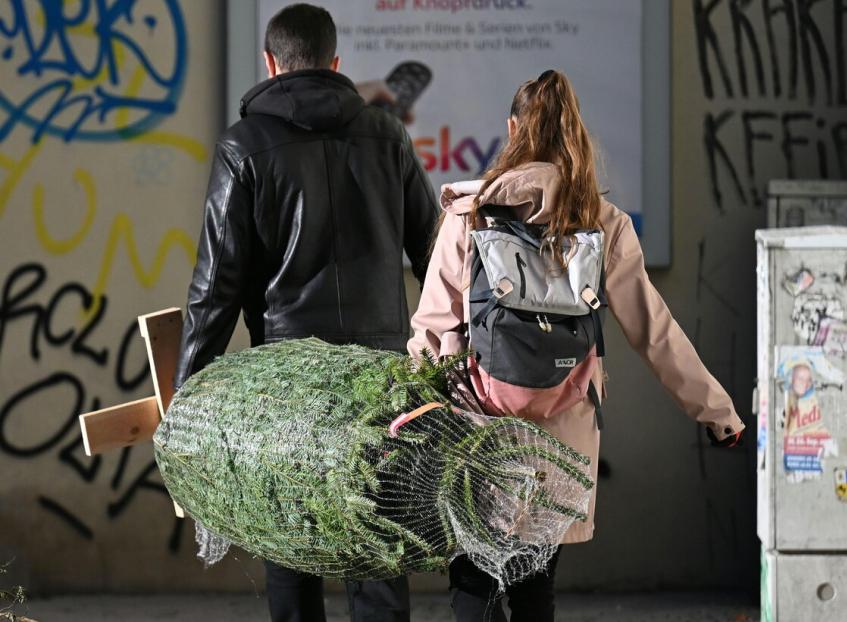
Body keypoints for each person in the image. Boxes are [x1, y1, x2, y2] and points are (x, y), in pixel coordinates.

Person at [408, 70, 745, 621]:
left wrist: (421, 412)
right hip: (560, 440)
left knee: (473, 583)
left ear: (512, 129)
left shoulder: (470, 216)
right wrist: (719, 413)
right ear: (575, 135)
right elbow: (654, 333)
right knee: (535, 586)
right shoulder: (602, 223)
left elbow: (431, 326)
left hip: (478, 427)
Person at [173, 4, 438, 621]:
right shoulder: (387, 136)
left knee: (290, 543)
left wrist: (186, 399)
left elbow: (216, 289)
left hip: (286, 383)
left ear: (271, 63)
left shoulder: (244, 147)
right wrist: (446, 361)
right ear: (336, 63)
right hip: (381, 380)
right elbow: (437, 259)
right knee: (375, 546)